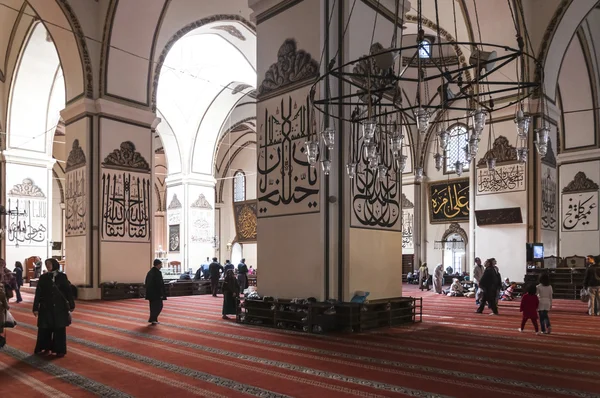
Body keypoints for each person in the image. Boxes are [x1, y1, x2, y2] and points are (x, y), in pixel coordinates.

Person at [32, 258, 75, 357]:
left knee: (59, 329)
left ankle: (59, 350)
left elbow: (68, 292)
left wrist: (72, 305)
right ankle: (43, 347)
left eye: (49, 264)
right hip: (46, 307)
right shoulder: (43, 277)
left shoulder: (62, 277)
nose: (48, 266)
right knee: (44, 328)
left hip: (60, 308)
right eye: (46, 264)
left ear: (54, 264)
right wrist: (35, 308)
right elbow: (38, 293)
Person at [145, 259, 167, 325]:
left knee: (153, 307)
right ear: (158, 264)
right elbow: (158, 284)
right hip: (155, 293)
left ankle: (153, 319)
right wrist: (161, 293)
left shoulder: (151, 272)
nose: (161, 266)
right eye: (160, 264)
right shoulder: (156, 273)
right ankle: (153, 319)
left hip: (151, 293)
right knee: (158, 306)